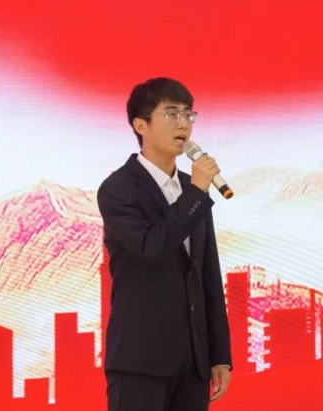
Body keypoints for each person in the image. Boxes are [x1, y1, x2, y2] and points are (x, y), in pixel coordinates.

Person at [97, 77, 233, 411]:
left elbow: (207, 273)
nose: (183, 123)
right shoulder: (118, 189)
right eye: (171, 114)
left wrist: (219, 355)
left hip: (194, 363)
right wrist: (196, 193)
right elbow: (150, 248)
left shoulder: (192, 188)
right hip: (139, 361)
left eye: (188, 114)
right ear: (140, 125)